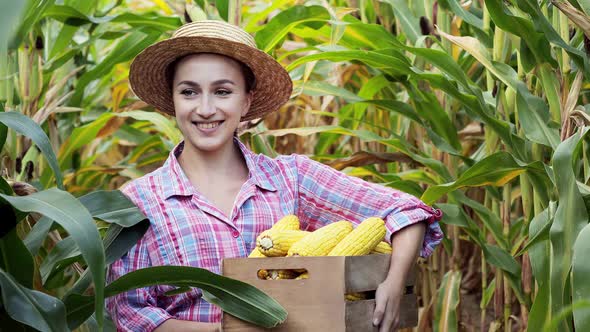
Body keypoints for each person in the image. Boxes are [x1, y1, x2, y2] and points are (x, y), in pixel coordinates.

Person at [106, 20, 443, 332]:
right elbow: (132, 312)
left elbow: (406, 211)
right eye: (189, 92)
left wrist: (394, 285)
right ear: (172, 100)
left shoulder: (290, 178)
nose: (205, 108)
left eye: (223, 91)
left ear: (247, 101)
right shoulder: (138, 202)